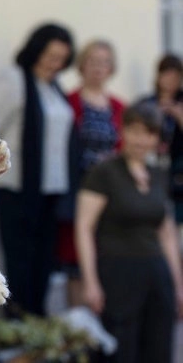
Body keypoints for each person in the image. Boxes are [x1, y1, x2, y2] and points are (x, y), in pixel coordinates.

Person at [0, 22, 76, 317]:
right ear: (36, 51)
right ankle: (18, 319)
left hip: (51, 189)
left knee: (44, 259)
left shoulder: (55, 89)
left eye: (61, 58)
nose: (54, 63)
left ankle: (38, 317)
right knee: (18, 260)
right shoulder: (13, 81)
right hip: (16, 188)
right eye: (49, 55)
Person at [75, 103, 183, 363]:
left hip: (157, 274)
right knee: (122, 350)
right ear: (123, 131)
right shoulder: (104, 172)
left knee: (159, 348)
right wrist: (90, 282)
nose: (141, 139)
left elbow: (167, 234)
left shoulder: (158, 174)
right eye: (134, 131)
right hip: (118, 273)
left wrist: (178, 285)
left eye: (149, 133)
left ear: (156, 138)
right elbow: (84, 227)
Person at [57, 40, 126, 306]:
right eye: (93, 61)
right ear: (82, 65)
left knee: (106, 256)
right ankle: (79, 328)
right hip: (77, 192)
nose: (99, 67)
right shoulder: (69, 102)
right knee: (75, 260)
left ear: (112, 68)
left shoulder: (119, 107)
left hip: (110, 196)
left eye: (105, 62)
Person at [135, 54, 183, 224]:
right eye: (167, 76)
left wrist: (179, 117)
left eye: (176, 77)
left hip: (177, 167)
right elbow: (135, 131)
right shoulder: (147, 103)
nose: (171, 82)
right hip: (151, 163)